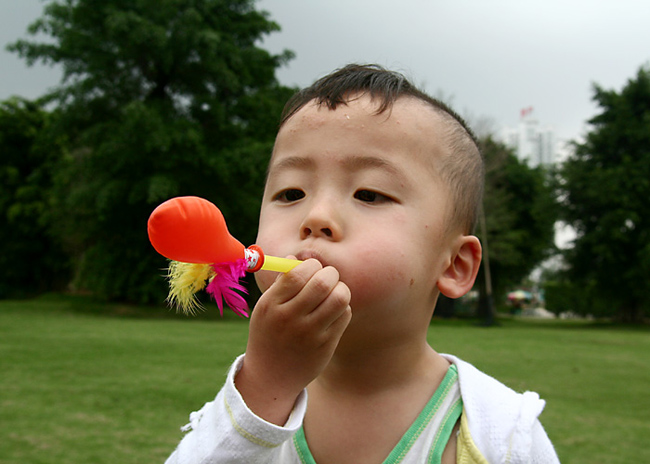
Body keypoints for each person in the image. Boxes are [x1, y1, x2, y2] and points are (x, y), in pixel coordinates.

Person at [164, 64, 559, 464]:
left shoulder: (505, 435)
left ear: (454, 265)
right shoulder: (243, 413)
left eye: (368, 194)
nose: (315, 217)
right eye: (291, 192)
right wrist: (265, 388)